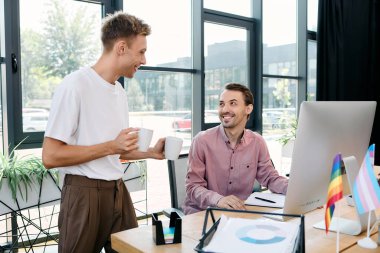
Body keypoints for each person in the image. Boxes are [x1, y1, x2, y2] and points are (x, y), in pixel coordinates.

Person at [42, 12, 164, 253]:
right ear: (121, 48)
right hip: (84, 193)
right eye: (141, 51)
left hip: (118, 191)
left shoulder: (119, 92)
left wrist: (150, 153)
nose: (145, 59)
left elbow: (115, 153)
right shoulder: (75, 85)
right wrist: (112, 146)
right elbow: (51, 156)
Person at [183, 83, 288, 214]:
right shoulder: (202, 141)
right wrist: (218, 200)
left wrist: (295, 190)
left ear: (248, 109)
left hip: (239, 212)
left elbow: (270, 178)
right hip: (203, 213)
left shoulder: (257, 142)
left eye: (232, 103)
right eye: (221, 104)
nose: (224, 109)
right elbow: (192, 187)